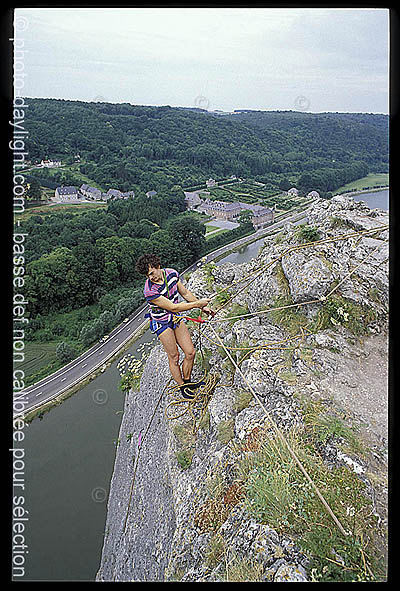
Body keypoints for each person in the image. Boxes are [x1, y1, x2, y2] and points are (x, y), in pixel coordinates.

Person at [135, 253, 212, 398]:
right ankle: (182, 387)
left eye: (151, 273)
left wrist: (202, 308)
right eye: (147, 275)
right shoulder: (150, 291)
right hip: (162, 322)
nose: (151, 277)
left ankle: (188, 382)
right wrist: (197, 304)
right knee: (174, 356)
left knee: (190, 352)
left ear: (158, 266)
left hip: (175, 318)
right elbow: (173, 307)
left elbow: (185, 293)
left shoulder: (172, 274)